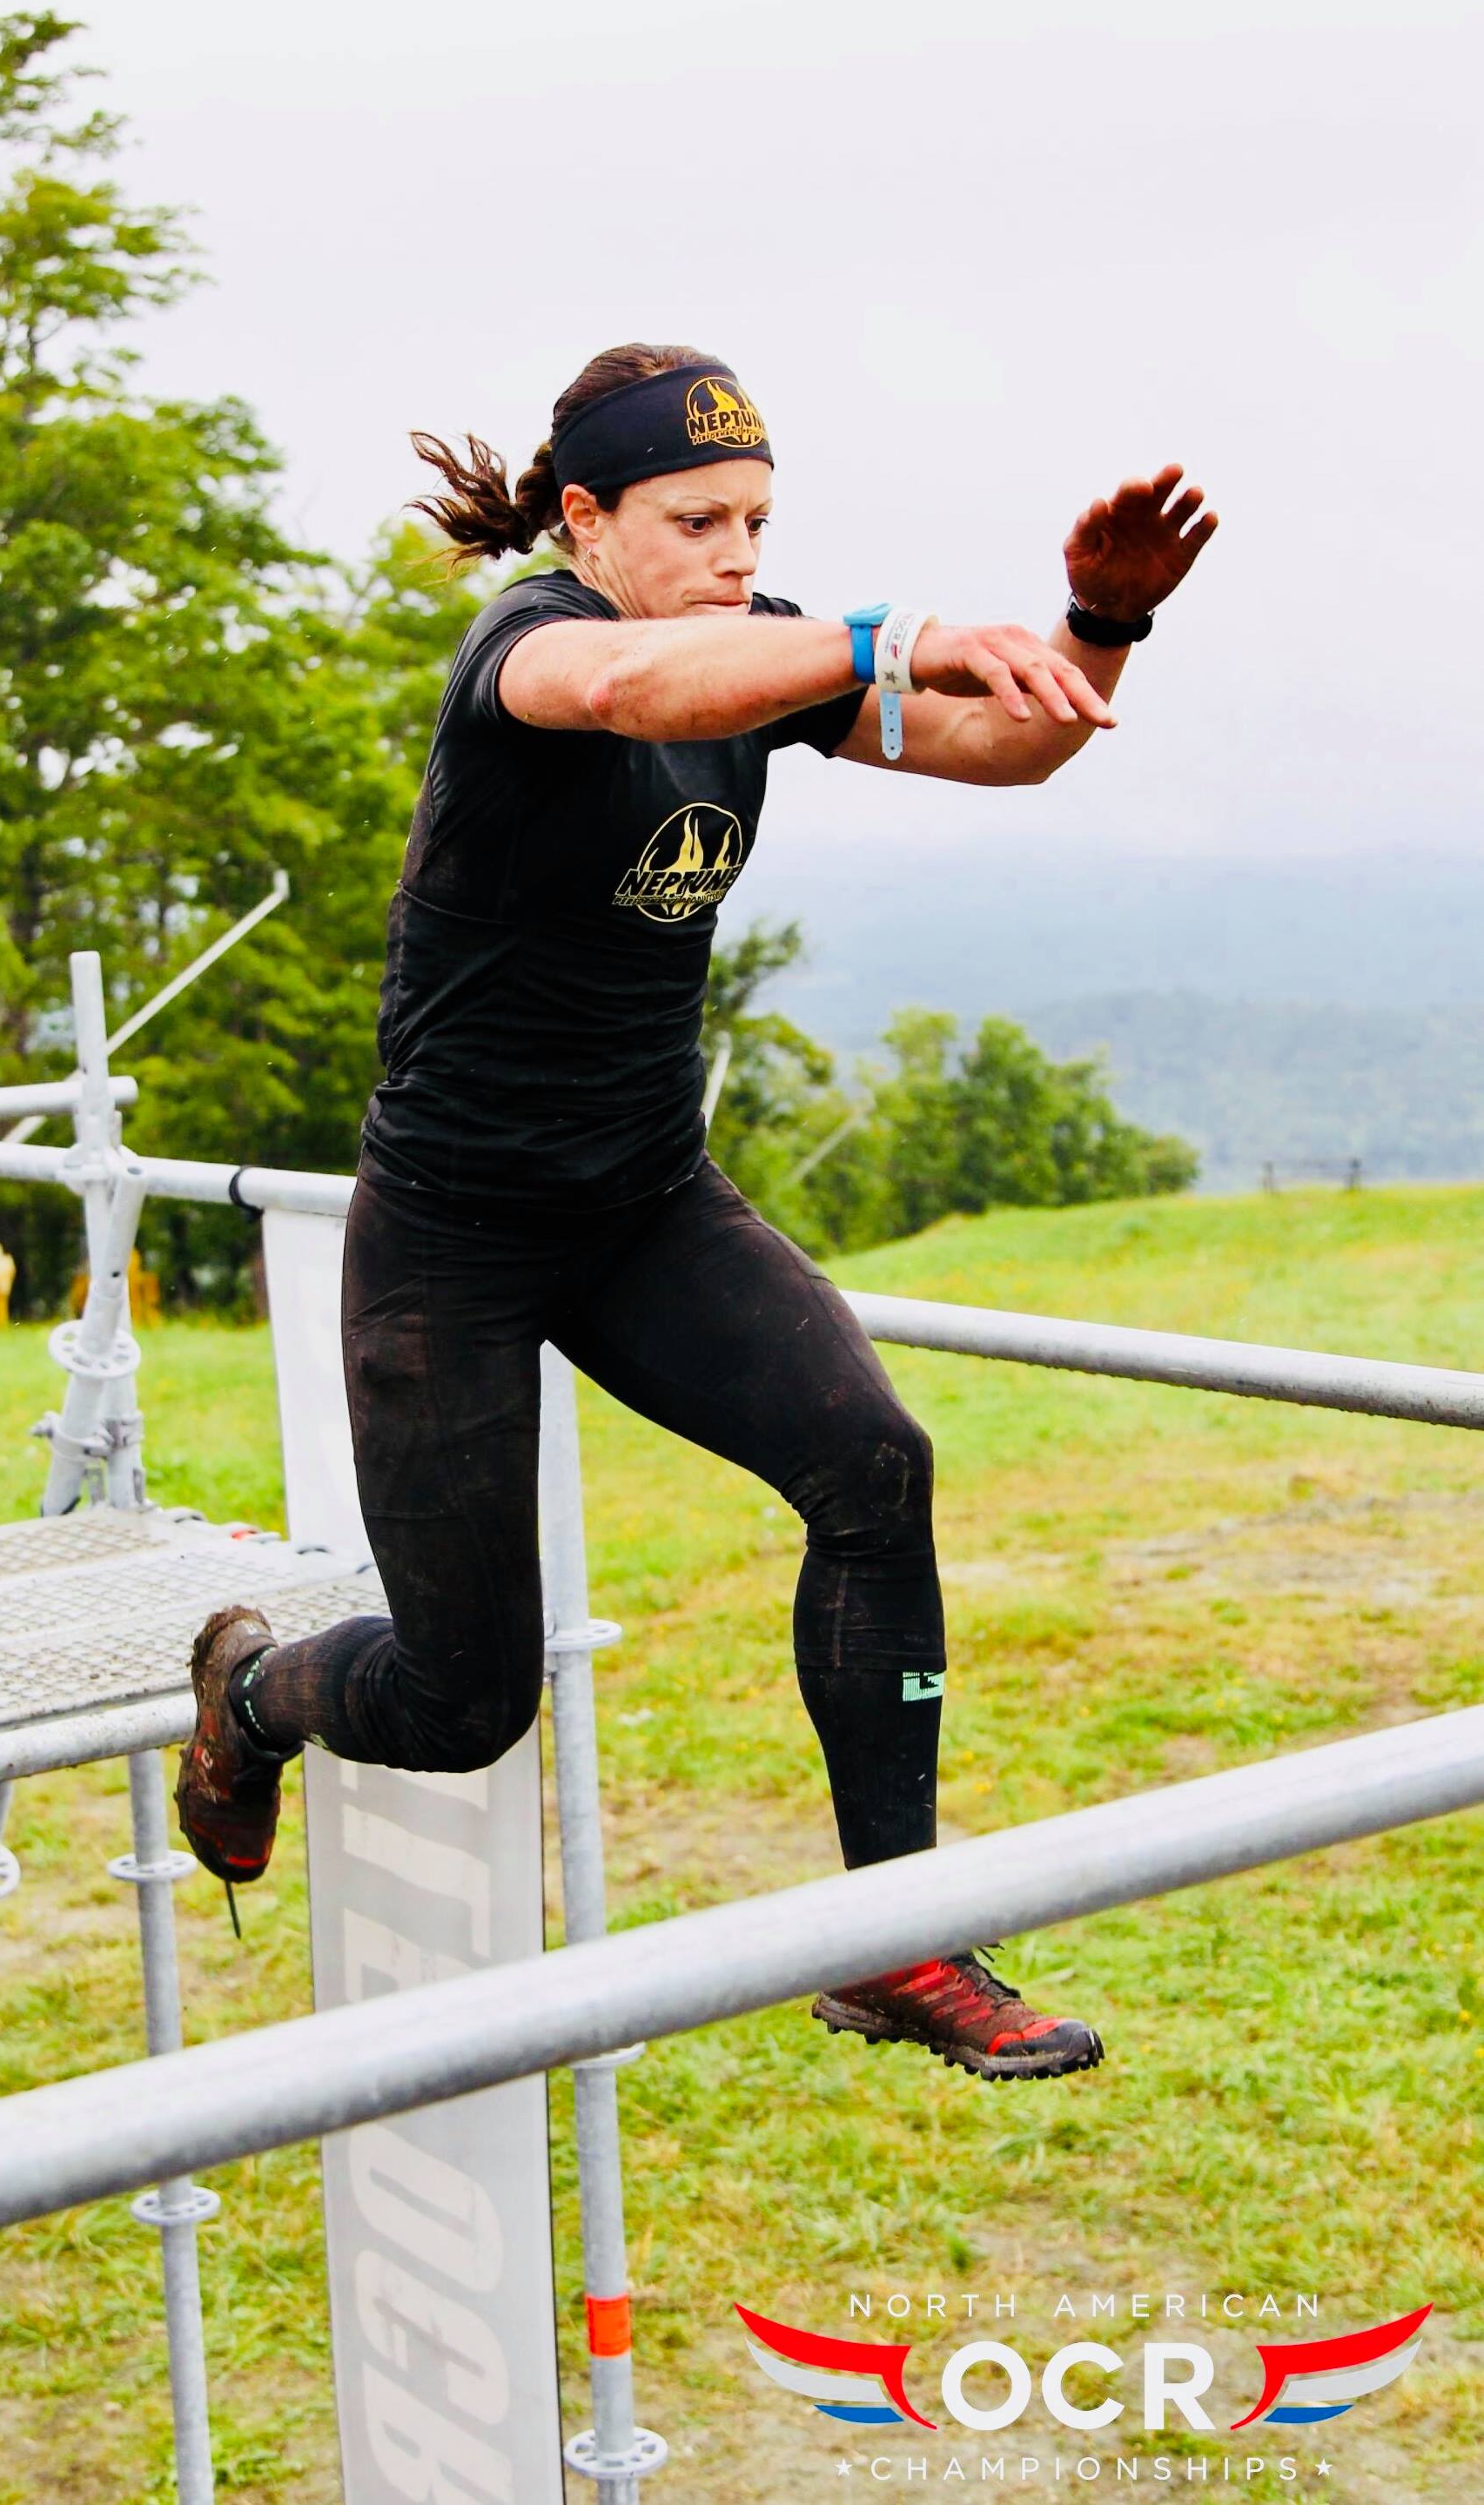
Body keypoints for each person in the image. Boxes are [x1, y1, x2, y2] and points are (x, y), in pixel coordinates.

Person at [176, 342, 1216, 2082]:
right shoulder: (533, 652)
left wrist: (1093, 622)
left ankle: (891, 1941)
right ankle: (251, 1695)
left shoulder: (759, 649)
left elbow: (999, 753)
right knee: (461, 1700)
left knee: (873, 1468)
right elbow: (637, 689)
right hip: (455, 1235)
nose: (736, 552)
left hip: (643, 1197)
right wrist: (881, 636)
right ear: (582, 522)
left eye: (755, 520)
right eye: (694, 518)